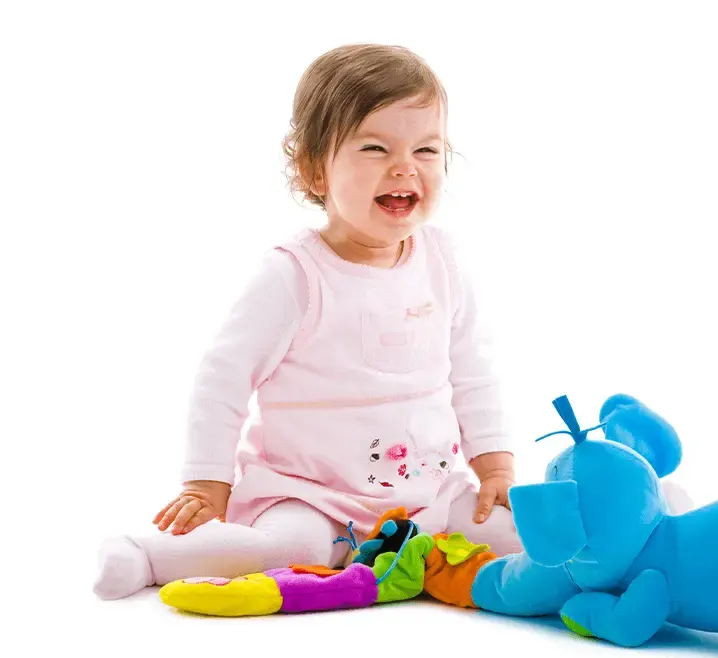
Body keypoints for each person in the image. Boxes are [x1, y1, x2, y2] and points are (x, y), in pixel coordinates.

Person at [93, 43, 522, 600]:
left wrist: (495, 470)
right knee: (291, 551)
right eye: (375, 146)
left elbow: (473, 376)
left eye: (426, 149)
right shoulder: (294, 275)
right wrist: (207, 483)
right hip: (309, 494)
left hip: (431, 494)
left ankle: (630, 547)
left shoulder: (443, 262)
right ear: (314, 170)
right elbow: (222, 380)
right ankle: (146, 555)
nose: (404, 166)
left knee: (512, 535)